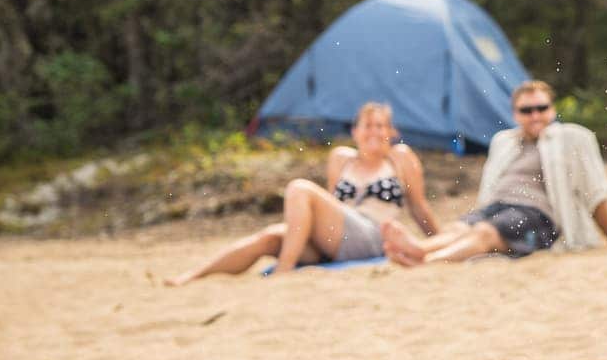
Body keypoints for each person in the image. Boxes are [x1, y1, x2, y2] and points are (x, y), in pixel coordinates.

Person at [166, 101, 440, 285]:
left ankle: (283, 273)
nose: (374, 132)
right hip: (338, 235)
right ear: (355, 132)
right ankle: (191, 278)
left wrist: (440, 243)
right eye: (368, 126)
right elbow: (331, 206)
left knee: (299, 188)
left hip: (372, 235)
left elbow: (418, 207)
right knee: (271, 237)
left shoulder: (400, 159)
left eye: (380, 126)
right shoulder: (341, 159)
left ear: (391, 132)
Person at [383, 80, 607, 267]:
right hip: (498, 206)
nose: (535, 115)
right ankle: (419, 248)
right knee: (460, 228)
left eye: (541, 108)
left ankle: (424, 260)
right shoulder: (505, 141)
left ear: (552, 109)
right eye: (527, 110)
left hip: (537, 214)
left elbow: (594, 191)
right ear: (515, 114)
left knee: (484, 232)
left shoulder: (572, 138)